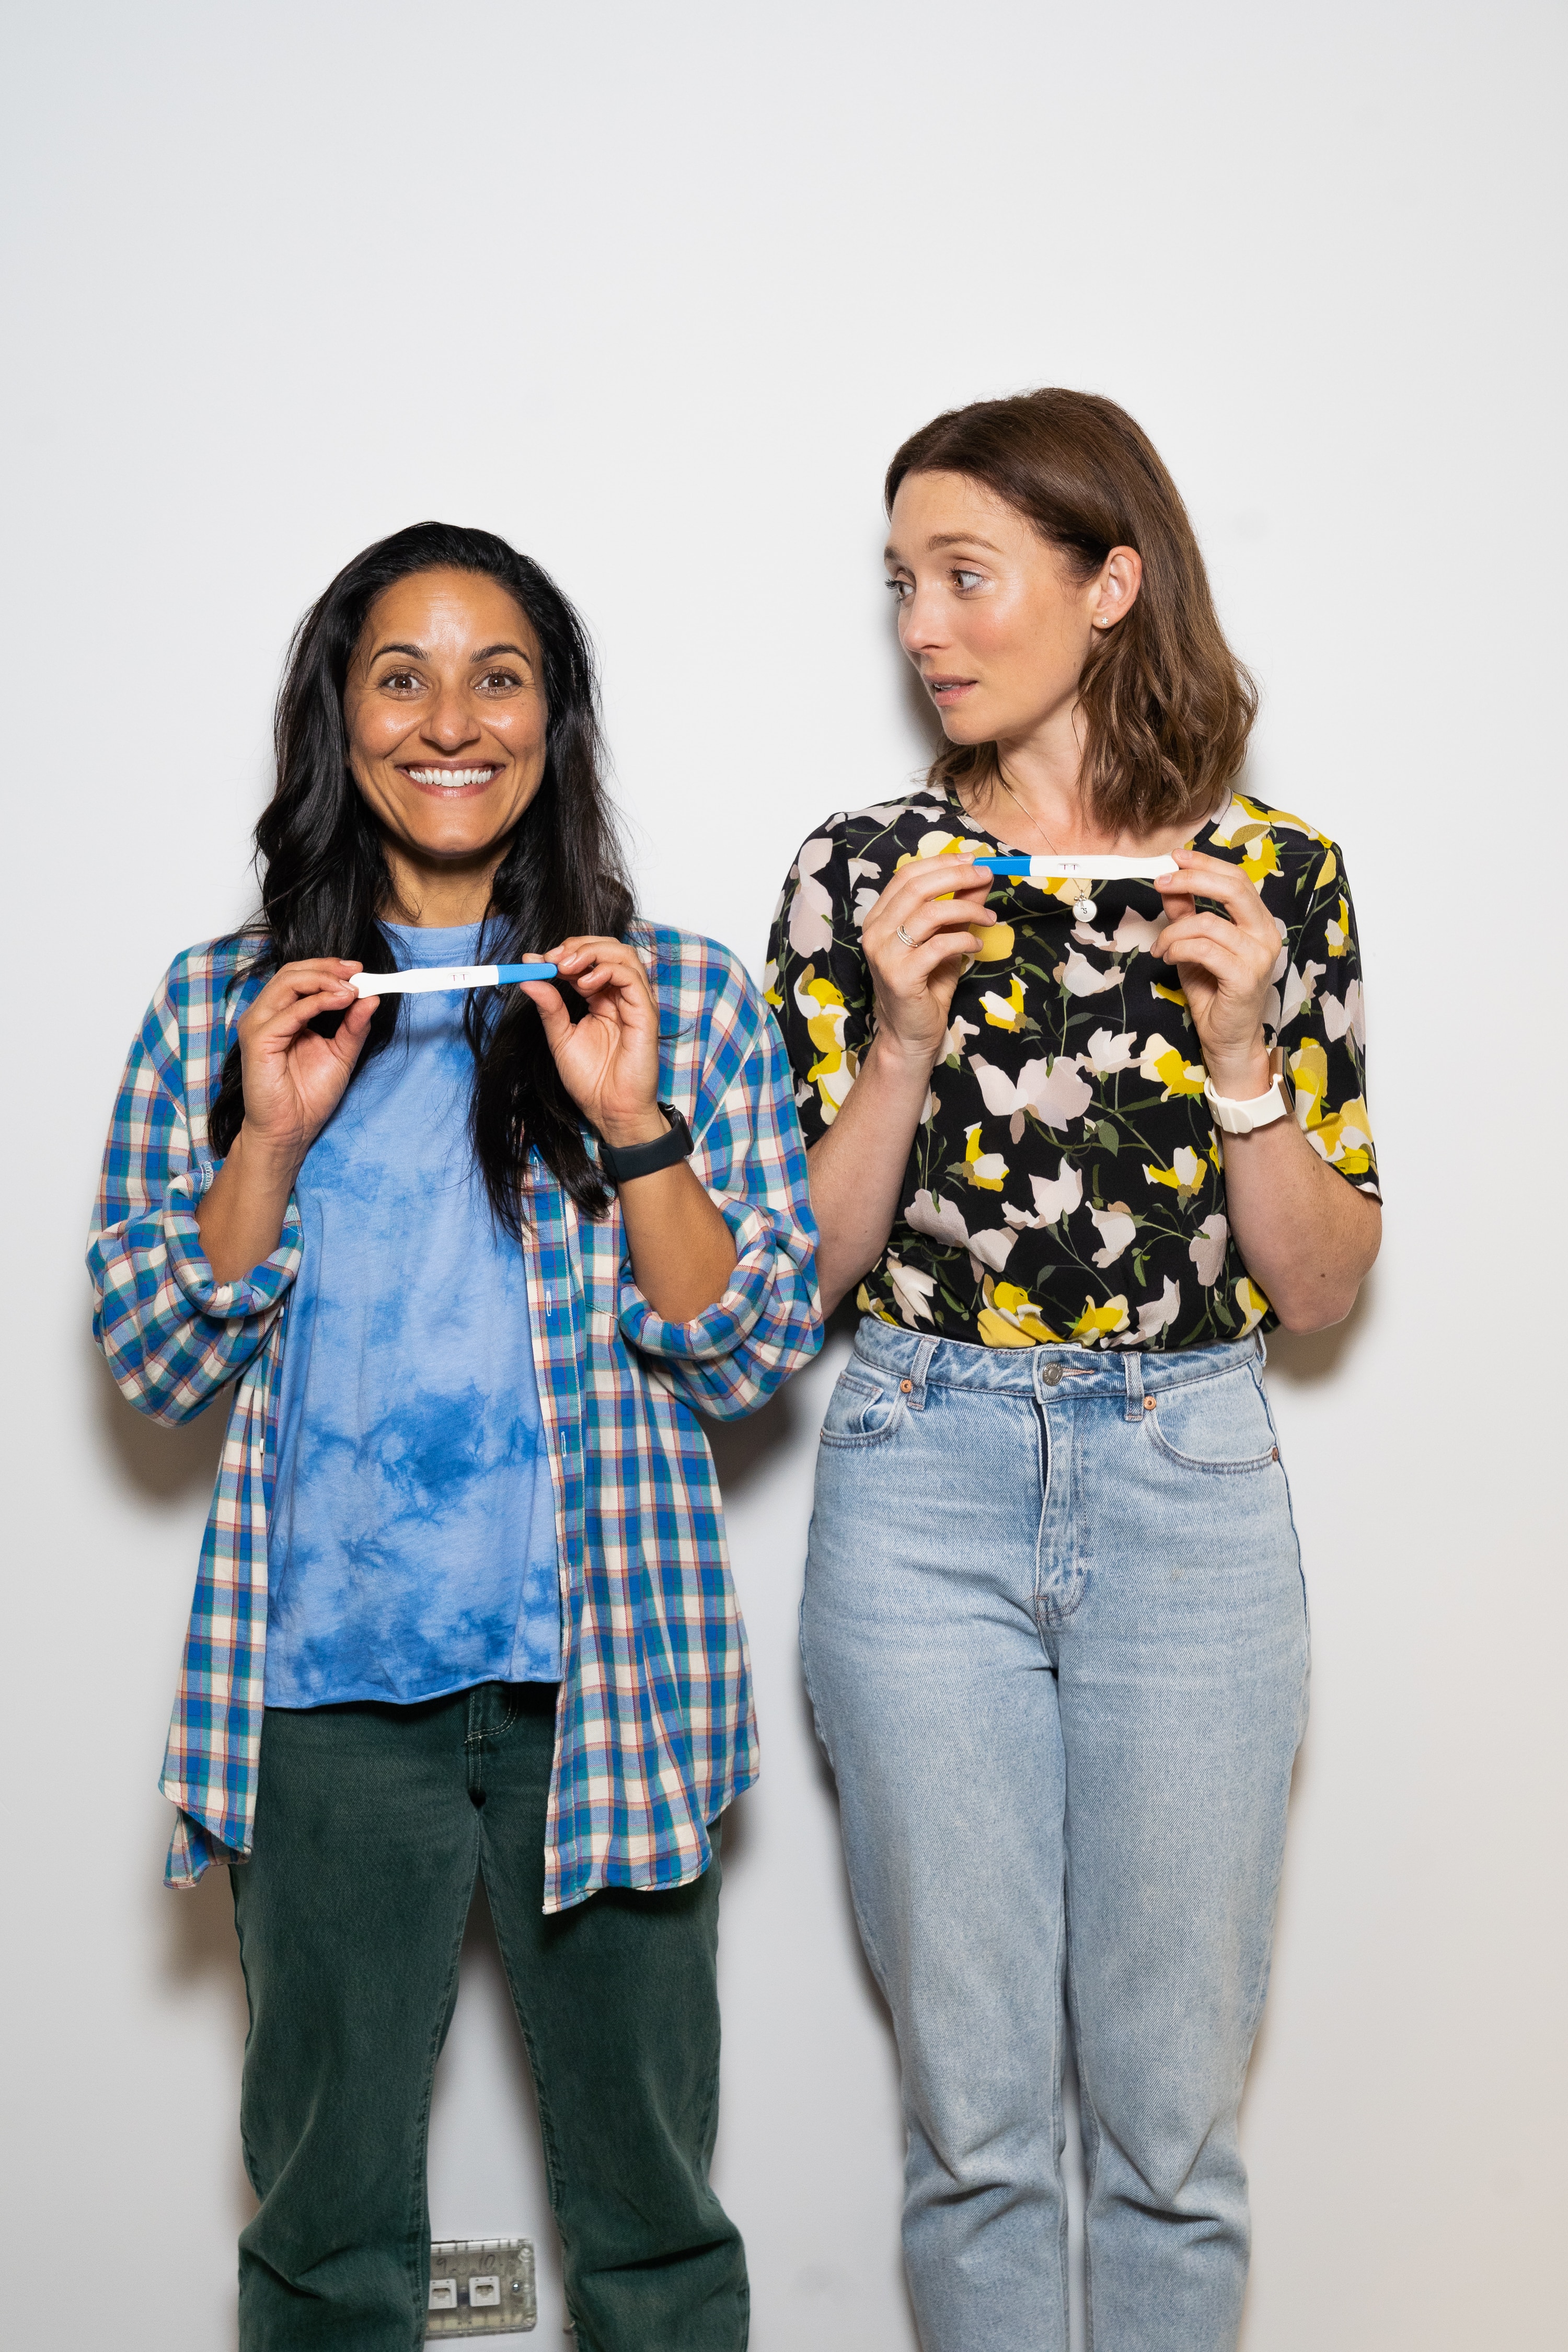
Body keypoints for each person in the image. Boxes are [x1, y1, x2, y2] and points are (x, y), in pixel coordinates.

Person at [88, 522, 819, 2351]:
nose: (449, 718)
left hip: (613, 1687)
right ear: (339, 717)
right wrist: (266, 1138)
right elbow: (156, 1364)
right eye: (399, 674)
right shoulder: (215, 1003)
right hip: (326, 1700)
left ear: (555, 722)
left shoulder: (689, 1000)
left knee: (654, 2220)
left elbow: (746, 1348)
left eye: (499, 675)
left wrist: (635, 1122)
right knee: (328, 2228)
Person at [767, 390, 1380, 2352]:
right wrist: (892, 1031)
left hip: (1188, 1468)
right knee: (975, 2131)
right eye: (901, 587)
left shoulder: (1275, 878)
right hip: (916, 1458)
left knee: (1173, 2136)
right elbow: (805, 1280)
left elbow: (1328, 1285)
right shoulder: (864, 873)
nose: (924, 630)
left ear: (1111, 583)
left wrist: (1249, 1050)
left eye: (966, 577)